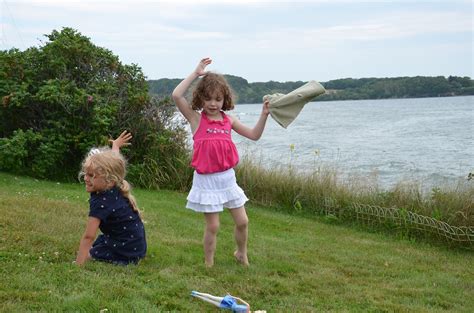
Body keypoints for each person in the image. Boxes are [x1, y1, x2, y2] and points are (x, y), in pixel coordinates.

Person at [172, 57, 270, 267]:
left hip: (227, 179)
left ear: (225, 99)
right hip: (206, 181)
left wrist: (264, 115)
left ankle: (241, 253)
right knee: (213, 226)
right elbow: (176, 95)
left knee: (243, 222)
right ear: (201, 99)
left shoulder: (229, 121)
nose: (213, 104)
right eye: (208, 99)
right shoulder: (196, 120)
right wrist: (196, 72)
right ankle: (209, 262)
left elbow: (254, 135)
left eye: (218, 99)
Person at [74, 131, 147, 266]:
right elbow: (115, 162)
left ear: (109, 180)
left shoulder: (102, 202)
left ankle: (118, 256)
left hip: (126, 249)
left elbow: (89, 236)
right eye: (86, 174)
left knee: (90, 253)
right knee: (98, 244)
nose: (85, 178)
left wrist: (78, 263)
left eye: (91, 175)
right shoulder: (115, 185)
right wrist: (116, 146)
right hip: (136, 245)